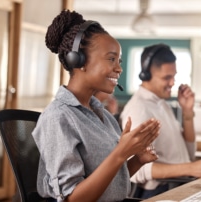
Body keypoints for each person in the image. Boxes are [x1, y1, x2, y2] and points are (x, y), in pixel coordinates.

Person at [32, 10, 161, 202]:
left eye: (120, 61)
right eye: (111, 59)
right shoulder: (58, 117)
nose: (119, 68)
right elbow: (73, 199)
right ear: (79, 60)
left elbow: (109, 182)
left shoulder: (104, 116)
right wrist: (120, 153)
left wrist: (137, 159)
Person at [120, 43, 201, 199]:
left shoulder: (162, 104)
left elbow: (188, 153)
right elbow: (138, 171)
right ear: (146, 75)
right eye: (167, 77)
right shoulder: (138, 109)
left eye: (173, 76)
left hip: (179, 183)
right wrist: (191, 168)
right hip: (160, 191)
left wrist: (187, 111)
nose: (172, 83)